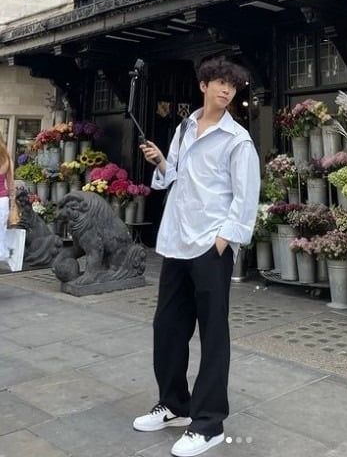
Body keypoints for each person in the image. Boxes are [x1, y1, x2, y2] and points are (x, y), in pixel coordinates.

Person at [134, 56, 261, 457]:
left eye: (232, 86)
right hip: (176, 240)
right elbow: (173, 177)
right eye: (220, 82)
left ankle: (208, 423)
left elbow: (246, 197)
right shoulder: (185, 127)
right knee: (167, 326)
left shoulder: (237, 139)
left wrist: (224, 241)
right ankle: (174, 404)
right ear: (204, 85)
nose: (226, 90)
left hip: (210, 245)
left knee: (213, 333)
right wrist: (161, 162)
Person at [0, 135, 24, 272]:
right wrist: (13, 203)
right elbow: (11, 184)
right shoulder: (7, 159)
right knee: (1, 232)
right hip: (2, 201)